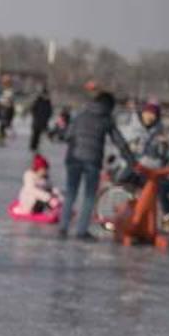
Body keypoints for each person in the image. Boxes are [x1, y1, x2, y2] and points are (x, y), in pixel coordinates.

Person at [58, 90, 134, 240]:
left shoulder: (81, 115)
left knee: (71, 194)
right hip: (92, 161)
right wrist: (131, 159)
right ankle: (81, 231)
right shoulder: (106, 119)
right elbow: (119, 141)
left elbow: (67, 135)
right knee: (89, 196)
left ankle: (63, 227)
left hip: (73, 159)